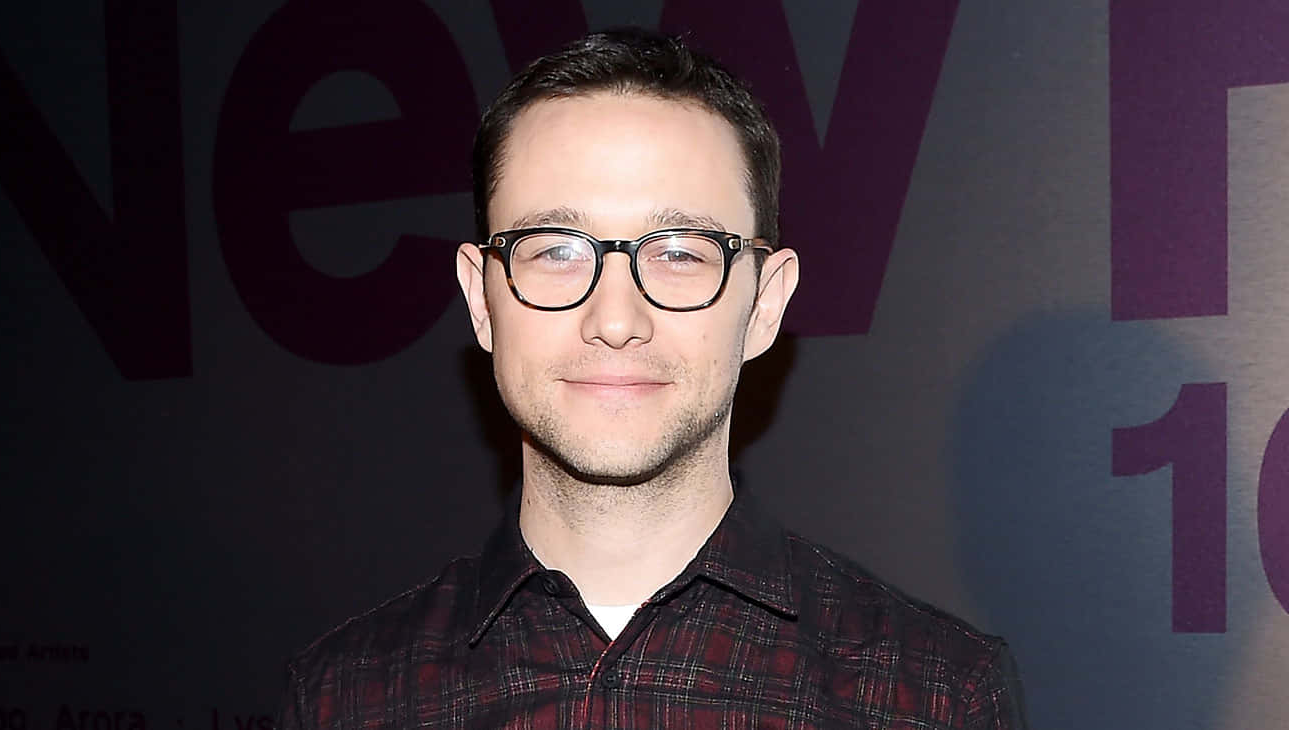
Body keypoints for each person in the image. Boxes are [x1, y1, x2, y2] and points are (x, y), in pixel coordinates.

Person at [279, 28, 1026, 729]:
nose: (615, 319)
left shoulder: (935, 697)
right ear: (482, 299)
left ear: (765, 304)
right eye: (556, 250)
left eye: (678, 253)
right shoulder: (344, 697)